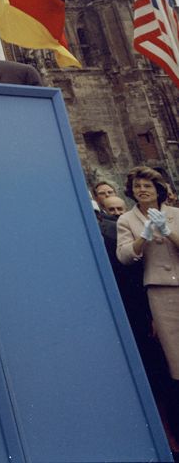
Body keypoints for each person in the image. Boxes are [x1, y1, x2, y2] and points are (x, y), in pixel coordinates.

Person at [116, 165, 179, 431]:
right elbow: (124, 256)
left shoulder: (176, 214)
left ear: (158, 190)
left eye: (147, 186)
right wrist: (143, 238)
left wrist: (167, 231)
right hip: (159, 291)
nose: (142, 190)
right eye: (137, 186)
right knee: (175, 356)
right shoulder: (126, 220)